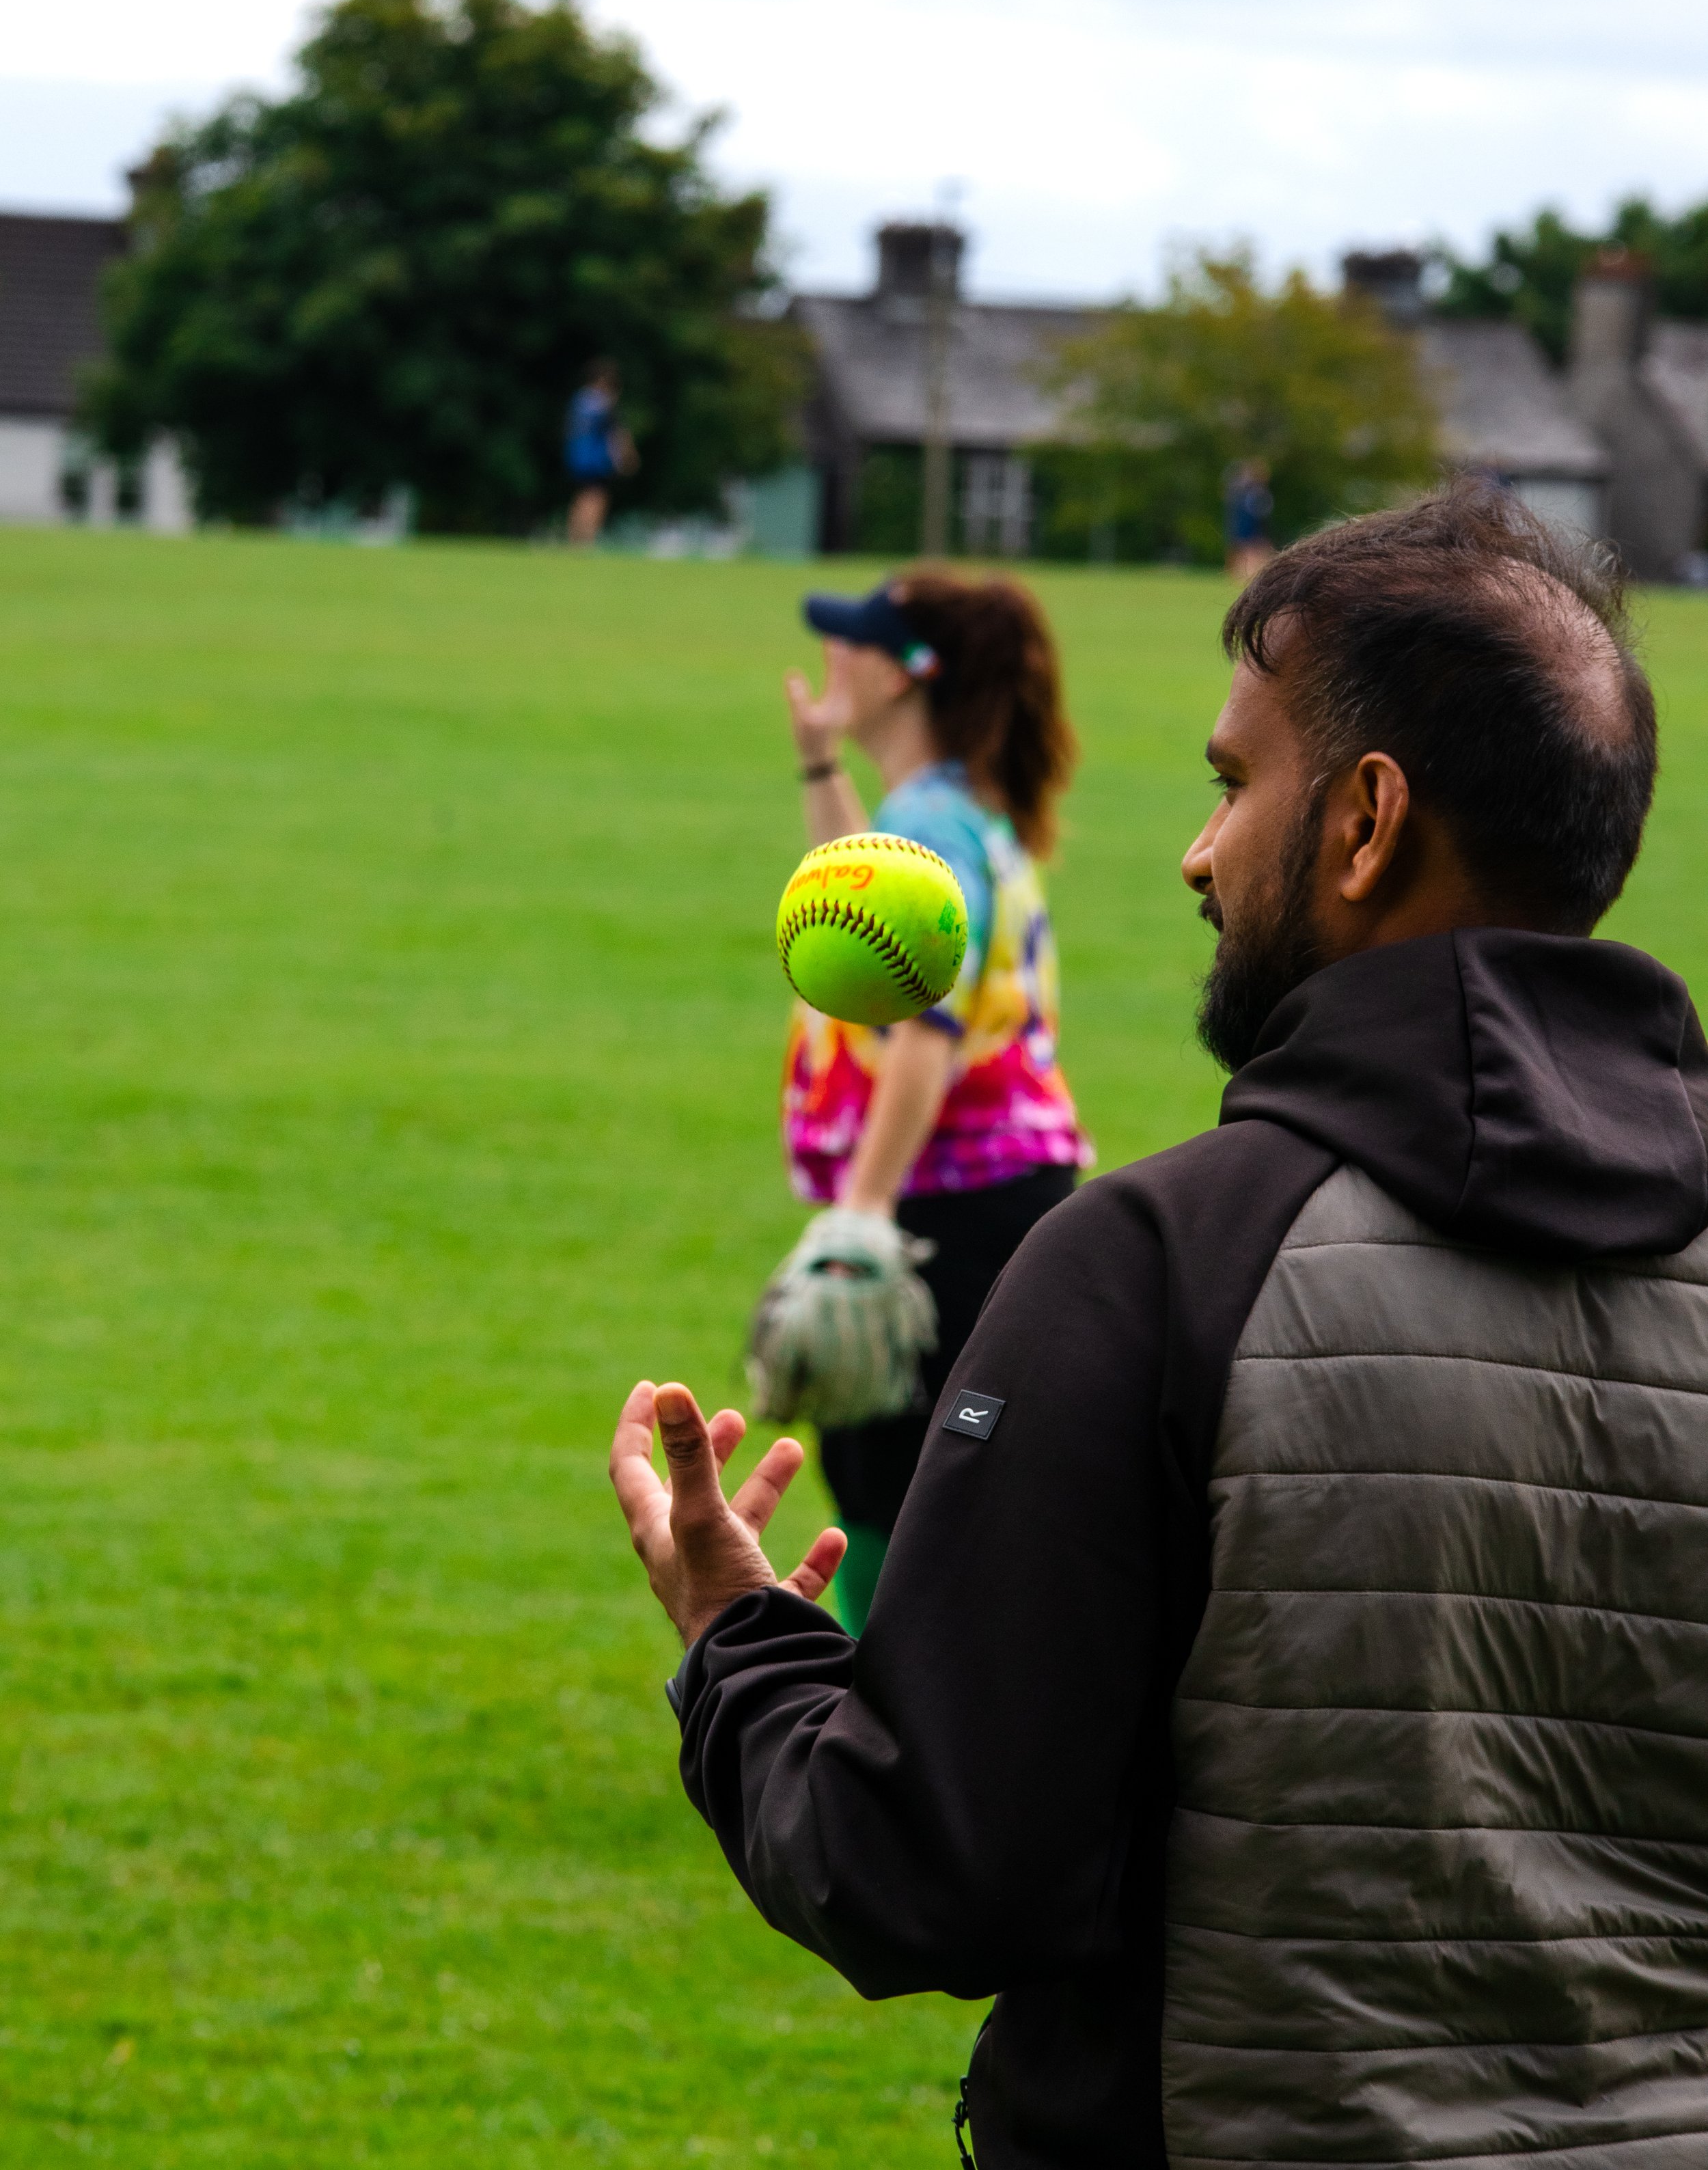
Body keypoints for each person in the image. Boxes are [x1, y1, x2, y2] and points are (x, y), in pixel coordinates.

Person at [611, 480, 1708, 2170]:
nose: (1197, 852)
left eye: (1230, 784)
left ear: (1363, 821)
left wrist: (731, 1637)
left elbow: (931, 1873)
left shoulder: (1150, 1263)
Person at [774, 571, 1092, 1630]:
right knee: (923, 1489)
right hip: (1000, 1197)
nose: (833, 655)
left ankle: (882, 1735)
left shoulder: (933, 822)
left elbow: (922, 1027)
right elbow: (860, 898)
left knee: (887, 1497)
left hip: (952, 1210)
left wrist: (860, 1217)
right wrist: (822, 760)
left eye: (853, 642)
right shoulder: (947, 811)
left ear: (909, 673)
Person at [564, 361, 635, 545]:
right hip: (595, 459)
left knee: (581, 497)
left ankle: (574, 541)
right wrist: (624, 457)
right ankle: (586, 542)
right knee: (597, 498)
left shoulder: (579, 399)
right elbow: (615, 432)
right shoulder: (604, 403)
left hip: (577, 456)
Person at [1224, 456, 1274, 579]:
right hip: (1249, 528)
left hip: (1245, 528)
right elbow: (1257, 514)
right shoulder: (1253, 492)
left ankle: (1243, 577)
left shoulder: (1245, 491)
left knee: (1249, 554)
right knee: (1250, 554)